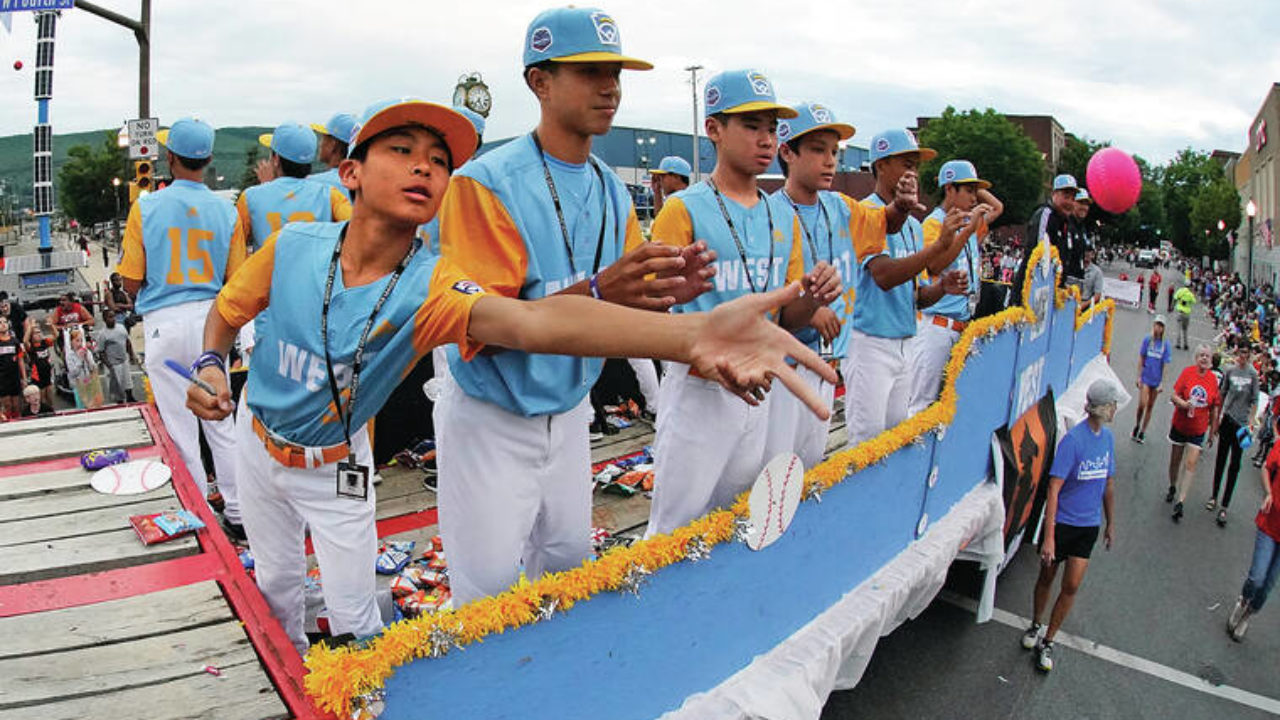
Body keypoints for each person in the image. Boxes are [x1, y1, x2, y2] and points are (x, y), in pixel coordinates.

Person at [185, 97, 832, 654]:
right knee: (274, 593)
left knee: (355, 620)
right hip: (255, 440)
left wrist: (690, 335)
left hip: (337, 469)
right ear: (349, 171)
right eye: (403, 149)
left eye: (439, 161)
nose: (424, 166)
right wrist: (212, 364)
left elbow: (531, 325)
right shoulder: (295, 245)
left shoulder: (431, 285)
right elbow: (225, 312)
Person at [432, 8, 721, 604]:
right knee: (484, 592)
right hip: (493, 414)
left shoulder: (612, 187)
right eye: (589, 71)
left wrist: (666, 295)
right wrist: (598, 291)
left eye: (614, 71)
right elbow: (489, 325)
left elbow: (629, 307)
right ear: (539, 81)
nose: (610, 86)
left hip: (569, 411)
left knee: (566, 568)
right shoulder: (484, 183)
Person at [648, 75, 851, 536]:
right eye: (751, 125)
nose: (765, 139)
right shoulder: (683, 209)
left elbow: (786, 318)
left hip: (759, 390)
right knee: (673, 531)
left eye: (772, 128)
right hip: (700, 387)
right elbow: (649, 311)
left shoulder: (782, 214)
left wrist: (813, 297)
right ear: (714, 129)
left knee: (738, 521)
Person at [117, 116, 247, 506]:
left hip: (165, 324)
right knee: (222, 420)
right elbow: (237, 279)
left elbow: (130, 281)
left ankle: (199, 511)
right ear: (207, 160)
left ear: (170, 158)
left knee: (179, 427)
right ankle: (240, 511)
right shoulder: (227, 211)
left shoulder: (147, 206)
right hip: (212, 323)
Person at [844, 128, 968, 448]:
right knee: (866, 446)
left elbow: (916, 297)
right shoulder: (866, 212)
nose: (912, 171)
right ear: (881, 165)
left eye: (915, 164)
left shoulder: (912, 225)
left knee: (897, 440)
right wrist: (937, 247)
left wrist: (942, 287)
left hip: (905, 341)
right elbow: (884, 276)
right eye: (905, 163)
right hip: (869, 342)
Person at [764, 101, 864, 467]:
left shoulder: (839, 207)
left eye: (835, 152)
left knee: (809, 469)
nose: (830, 161)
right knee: (775, 472)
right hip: (784, 367)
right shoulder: (770, 211)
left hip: (827, 361)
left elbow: (889, 220)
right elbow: (769, 293)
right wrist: (811, 309)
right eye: (818, 150)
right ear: (787, 152)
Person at [1022, 380, 1119, 673]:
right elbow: (1054, 488)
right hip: (1063, 523)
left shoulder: (1109, 439)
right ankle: (1036, 624)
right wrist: (1049, 537)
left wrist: (1111, 522)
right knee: (1046, 578)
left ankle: (1048, 640)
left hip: (1088, 525)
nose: (1116, 409)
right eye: (1113, 403)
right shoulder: (1074, 442)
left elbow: (1108, 483)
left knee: (1072, 585)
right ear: (1102, 407)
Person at [909, 159, 1003, 414]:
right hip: (936, 325)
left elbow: (997, 207)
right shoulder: (933, 223)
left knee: (953, 403)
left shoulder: (970, 221)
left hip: (963, 324)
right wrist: (968, 228)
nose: (974, 197)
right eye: (968, 190)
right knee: (922, 404)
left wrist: (974, 184)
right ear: (949, 189)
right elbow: (935, 266)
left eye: (975, 190)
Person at [240, 122, 352, 252]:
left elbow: (236, 246)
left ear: (276, 159)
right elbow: (355, 228)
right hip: (314, 272)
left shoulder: (250, 197)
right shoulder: (328, 194)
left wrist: (267, 186)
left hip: (269, 271)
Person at [1227, 423, 1280, 641]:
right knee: (1257, 578)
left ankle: (1248, 615)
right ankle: (1243, 600)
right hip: (1270, 522)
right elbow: (1267, 467)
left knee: (1267, 586)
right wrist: (1268, 493)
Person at [1167, 344, 1222, 522]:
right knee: (1175, 460)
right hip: (1180, 424)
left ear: (1211, 361)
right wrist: (1183, 404)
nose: (1204, 359)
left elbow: (1214, 407)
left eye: (1207, 356)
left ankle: (1180, 502)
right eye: (1201, 356)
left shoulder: (1213, 380)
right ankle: (1173, 486)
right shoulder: (1187, 373)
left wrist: (1213, 430)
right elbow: (1173, 395)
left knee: (1191, 464)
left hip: (1198, 429)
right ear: (1196, 358)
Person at [1209, 339, 1259, 526]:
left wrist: (1251, 423)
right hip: (1227, 419)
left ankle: (1225, 505)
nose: (1243, 356)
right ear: (1237, 353)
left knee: (1235, 465)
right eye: (1241, 352)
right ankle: (1214, 495)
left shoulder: (1253, 374)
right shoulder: (1230, 371)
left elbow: (1254, 400)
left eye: (1247, 353)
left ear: (1250, 355)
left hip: (1242, 424)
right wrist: (1216, 420)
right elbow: (1222, 395)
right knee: (1221, 459)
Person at [1014, 174, 1077, 300]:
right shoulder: (1046, 215)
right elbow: (1039, 256)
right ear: (1054, 194)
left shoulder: (1066, 222)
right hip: (1033, 292)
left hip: (1052, 294)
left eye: (1073, 198)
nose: (1070, 202)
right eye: (1066, 196)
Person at [1132, 316, 1172, 443]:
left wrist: (1162, 383)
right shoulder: (1148, 340)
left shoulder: (1165, 344)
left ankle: (1143, 431)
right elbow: (1141, 357)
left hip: (1156, 379)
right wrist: (1139, 376)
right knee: (1142, 404)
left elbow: (1165, 364)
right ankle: (1137, 425)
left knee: (1150, 406)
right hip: (1146, 377)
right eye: (1156, 325)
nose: (1158, 328)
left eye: (1161, 326)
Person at [308, 112, 358, 198]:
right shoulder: (360, 184)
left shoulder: (312, 184)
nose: (320, 144)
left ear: (333, 144)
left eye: (323, 138)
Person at [98, 308, 138, 404]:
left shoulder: (121, 327)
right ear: (104, 319)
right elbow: (101, 351)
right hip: (113, 363)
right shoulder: (102, 334)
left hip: (124, 359)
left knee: (127, 380)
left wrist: (131, 355)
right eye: (110, 317)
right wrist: (109, 365)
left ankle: (130, 397)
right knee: (117, 384)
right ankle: (119, 401)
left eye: (113, 316)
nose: (113, 319)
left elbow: (127, 342)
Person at [0, 316, 25, 419]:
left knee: (16, 405)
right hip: (2, 379)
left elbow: (20, 360)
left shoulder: (15, 341)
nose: (3, 324)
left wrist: (23, 377)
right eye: (0, 323)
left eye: (5, 322)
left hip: (14, 377)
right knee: (7, 406)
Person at [24, 323, 55, 408]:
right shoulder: (31, 347)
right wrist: (30, 327)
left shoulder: (45, 342)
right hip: (37, 375)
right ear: (31, 336)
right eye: (36, 333)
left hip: (48, 373)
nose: (39, 334)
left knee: (50, 397)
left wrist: (51, 325)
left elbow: (56, 335)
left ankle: (52, 411)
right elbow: (25, 341)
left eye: (39, 332)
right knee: (42, 398)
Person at [1173, 283, 1196, 349]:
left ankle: (1178, 343)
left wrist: (1173, 306)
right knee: (1185, 329)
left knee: (1178, 329)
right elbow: (1194, 301)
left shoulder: (1180, 291)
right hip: (1187, 314)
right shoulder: (1190, 294)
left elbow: (1175, 298)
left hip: (1180, 312)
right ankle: (1186, 344)